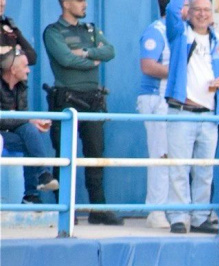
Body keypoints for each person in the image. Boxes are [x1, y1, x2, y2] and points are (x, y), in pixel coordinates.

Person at [43, 0, 121, 225]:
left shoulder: (90, 30)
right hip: (66, 101)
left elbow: (110, 51)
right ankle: (66, 211)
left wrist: (85, 52)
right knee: (65, 157)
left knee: (96, 155)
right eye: (79, 1)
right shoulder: (53, 32)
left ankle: (98, 209)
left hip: (92, 101)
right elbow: (65, 59)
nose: (84, 5)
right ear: (66, 4)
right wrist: (92, 61)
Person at [164, 0, 219, 234]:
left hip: (209, 115)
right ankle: (179, 217)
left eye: (207, 10)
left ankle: (200, 216)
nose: (202, 14)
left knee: (205, 170)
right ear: (188, 13)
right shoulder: (179, 34)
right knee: (179, 168)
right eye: (197, 10)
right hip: (182, 112)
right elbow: (172, 10)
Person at [0, 53, 58, 204]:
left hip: (11, 133)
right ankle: (32, 192)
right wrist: (28, 119)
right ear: (13, 69)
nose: (28, 70)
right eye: (25, 66)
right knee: (29, 136)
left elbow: (21, 117)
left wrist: (31, 121)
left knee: (29, 132)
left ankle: (39, 181)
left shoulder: (22, 86)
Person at [138, 0, 172, 228]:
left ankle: (173, 209)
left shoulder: (183, 33)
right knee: (160, 155)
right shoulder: (157, 30)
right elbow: (148, 65)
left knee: (172, 157)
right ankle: (156, 211)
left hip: (172, 102)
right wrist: (180, 73)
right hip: (156, 99)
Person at [0, 0, 37, 69]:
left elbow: (32, 57)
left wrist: (11, 50)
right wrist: (16, 49)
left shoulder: (8, 25)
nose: (2, 4)